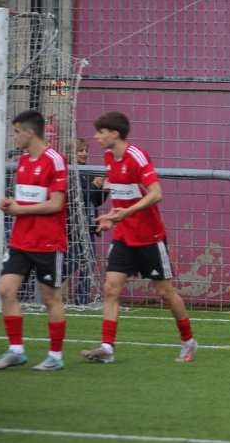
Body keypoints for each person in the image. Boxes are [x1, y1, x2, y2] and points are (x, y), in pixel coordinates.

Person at [80, 111, 197, 364]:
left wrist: (127, 213)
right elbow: (124, 197)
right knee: (111, 288)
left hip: (149, 237)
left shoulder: (137, 156)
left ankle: (188, 341)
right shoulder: (109, 157)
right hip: (124, 237)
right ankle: (107, 348)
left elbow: (156, 194)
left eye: (100, 132)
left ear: (114, 133)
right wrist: (111, 218)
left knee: (165, 292)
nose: (96, 136)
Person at [0, 110, 70, 372]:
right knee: (5, 290)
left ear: (29, 132)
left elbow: (56, 204)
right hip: (21, 241)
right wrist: (11, 203)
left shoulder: (55, 161)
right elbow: (28, 199)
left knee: (50, 300)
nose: (14, 137)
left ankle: (55, 356)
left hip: (48, 243)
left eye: (16, 132)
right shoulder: (23, 161)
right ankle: (16, 350)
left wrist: (18, 210)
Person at [66, 137, 108, 307]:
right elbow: (77, 197)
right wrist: (93, 185)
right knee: (74, 260)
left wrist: (105, 188)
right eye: (81, 150)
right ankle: (50, 283)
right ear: (71, 153)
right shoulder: (70, 172)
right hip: (73, 227)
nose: (85, 153)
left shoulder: (87, 171)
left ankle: (82, 299)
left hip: (88, 226)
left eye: (86, 150)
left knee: (88, 262)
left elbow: (94, 201)